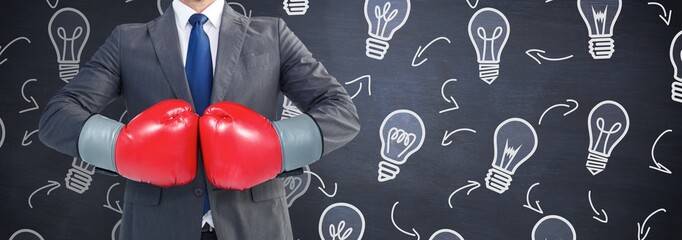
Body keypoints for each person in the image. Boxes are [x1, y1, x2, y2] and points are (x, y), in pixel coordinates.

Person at [38, 0, 360, 239]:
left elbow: (341, 113)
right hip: (156, 228)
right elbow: (57, 117)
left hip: (257, 226)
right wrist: (122, 149)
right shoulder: (127, 41)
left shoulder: (272, 34)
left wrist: (275, 147)